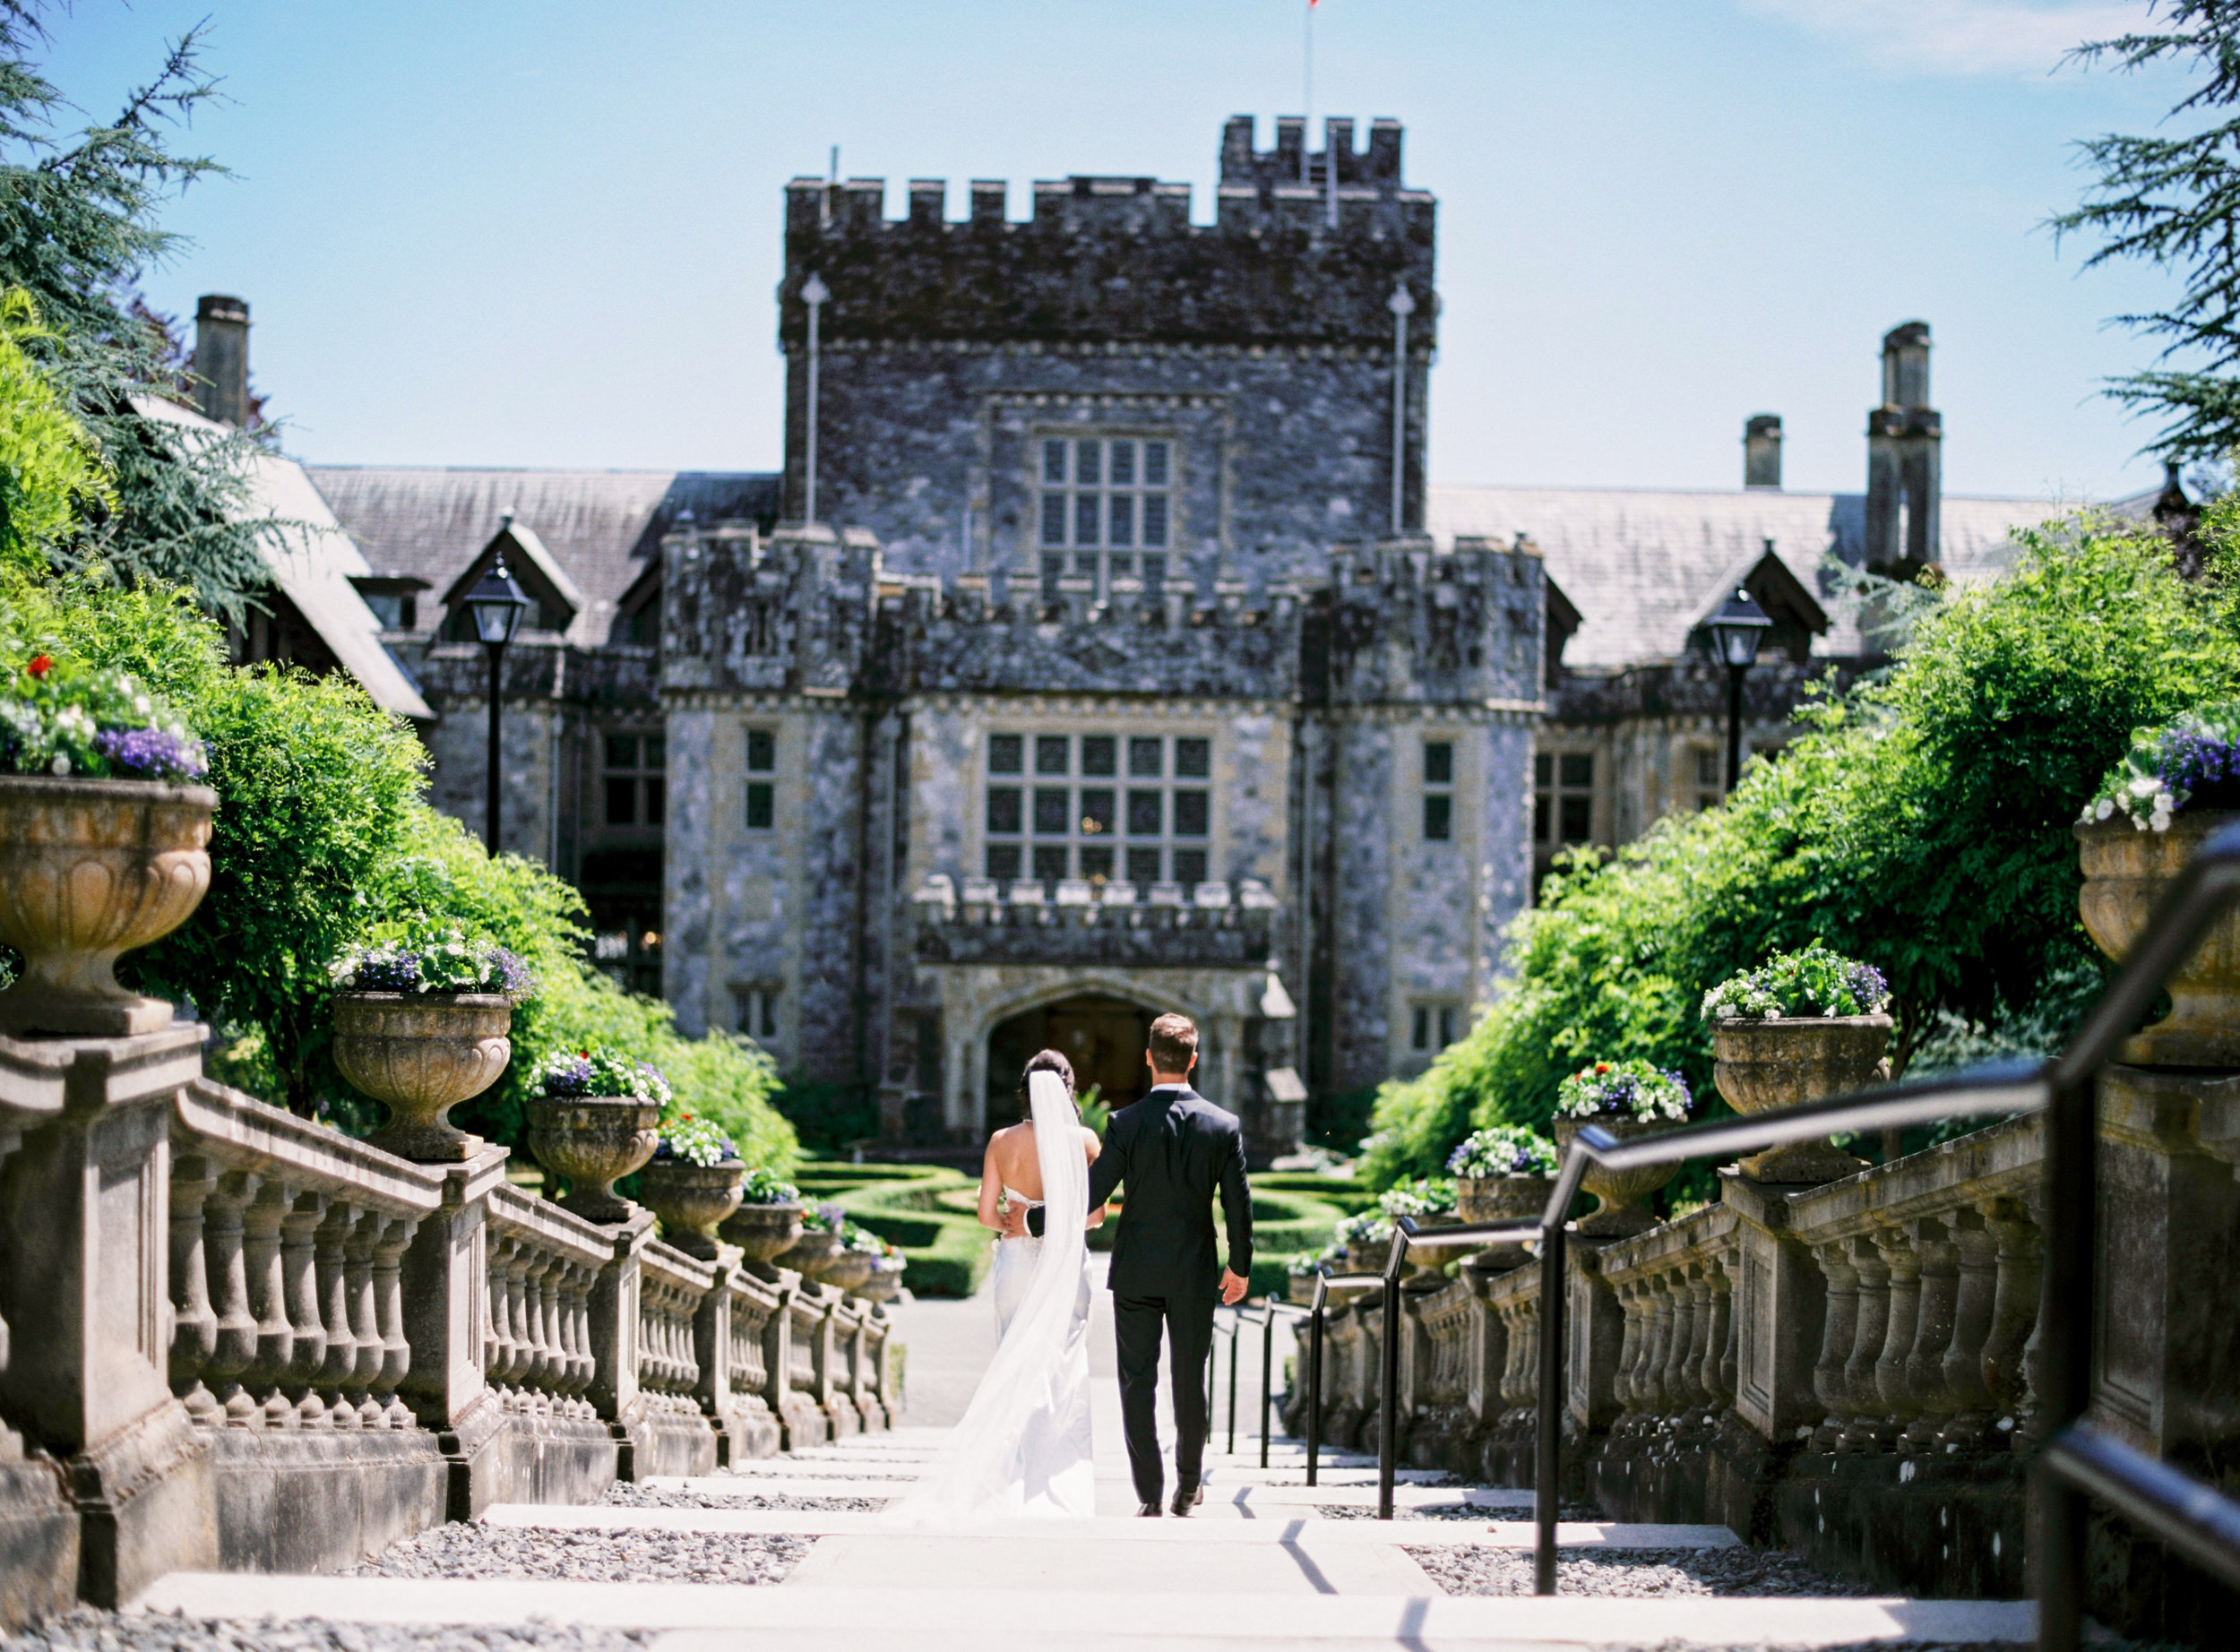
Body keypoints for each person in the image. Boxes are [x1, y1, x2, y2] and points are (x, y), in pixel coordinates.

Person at [1011, 1012, 1252, 1517]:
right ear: (1194, 1059)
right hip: (1193, 1272)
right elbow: (1237, 1205)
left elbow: (1089, 1194)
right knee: (1190, 1380)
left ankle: (1149, 1494)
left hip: (1138, 1271)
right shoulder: (1223, 1126)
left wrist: (1033, 1222)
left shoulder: (1126, 1123)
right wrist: (1240, 1267)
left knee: (1136, 1382)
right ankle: (1189, 1486)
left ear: (1147, 1059)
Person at [881, 1051, 1104, 1523]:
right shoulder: (1084, 1140)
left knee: (1013, 1363)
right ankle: (1057, 1474)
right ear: (1068, 1089)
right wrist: (1053, 1220)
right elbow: (1096, 1216)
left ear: (1024, 1089)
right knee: (1064, 1372)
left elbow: (986, 1215)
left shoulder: (1003, 1141)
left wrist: (1020, 1223)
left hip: (1017, 1263)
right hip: (1064, 1265)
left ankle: (1008, 1472)